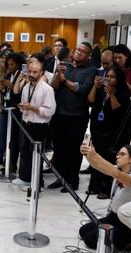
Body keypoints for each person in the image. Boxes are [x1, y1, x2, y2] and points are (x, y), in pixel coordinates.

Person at [49, 42, 97, 192]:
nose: (79, 53)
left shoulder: (91, 70)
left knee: (74, 150)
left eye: (83, 52)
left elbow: (82, 89)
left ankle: (72, 180)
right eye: (77, 50)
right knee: (59, 148)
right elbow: (54, 86)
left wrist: (65, 80)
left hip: (77, 115)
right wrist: (58, 74)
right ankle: (60, 177)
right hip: (59, 113)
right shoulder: (66, 66)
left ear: (88, 55)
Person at [79, 144, 131, 250]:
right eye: (117, 154)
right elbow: (97, 166)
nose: (117, 156)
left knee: (90, 240)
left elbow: (116, 174)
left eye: (122, 154)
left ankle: (130, 241)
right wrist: (87, 154)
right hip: (112, 217)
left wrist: (95, 155)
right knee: (83, 230)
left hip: (124, 224)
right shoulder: (118, 170)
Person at [87, 65, 131, 199]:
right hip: (98, 128)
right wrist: (95, 86)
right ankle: (94, 186)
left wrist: (111, 94)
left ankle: (106, 188)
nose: (109, 79)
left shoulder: (123, 93)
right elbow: (91, 100)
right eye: (108, 76)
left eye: (113, 77)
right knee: (96, 157)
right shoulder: (101, 89)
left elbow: (116, 109)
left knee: (109, 159)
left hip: (113, 132)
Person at [12, 61, 56, 189]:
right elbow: (24, 104)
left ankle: (37, 182)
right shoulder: (26, 87)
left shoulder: (47, 89)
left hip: (39, 126)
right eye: (30, 71)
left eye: (35, 72)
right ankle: (24, 178)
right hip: (26, 123)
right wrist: (23, 107)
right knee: (24, 152)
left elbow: (50, 111)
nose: (31, 74)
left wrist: (33, 108)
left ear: (41, 73)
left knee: (36, 155)